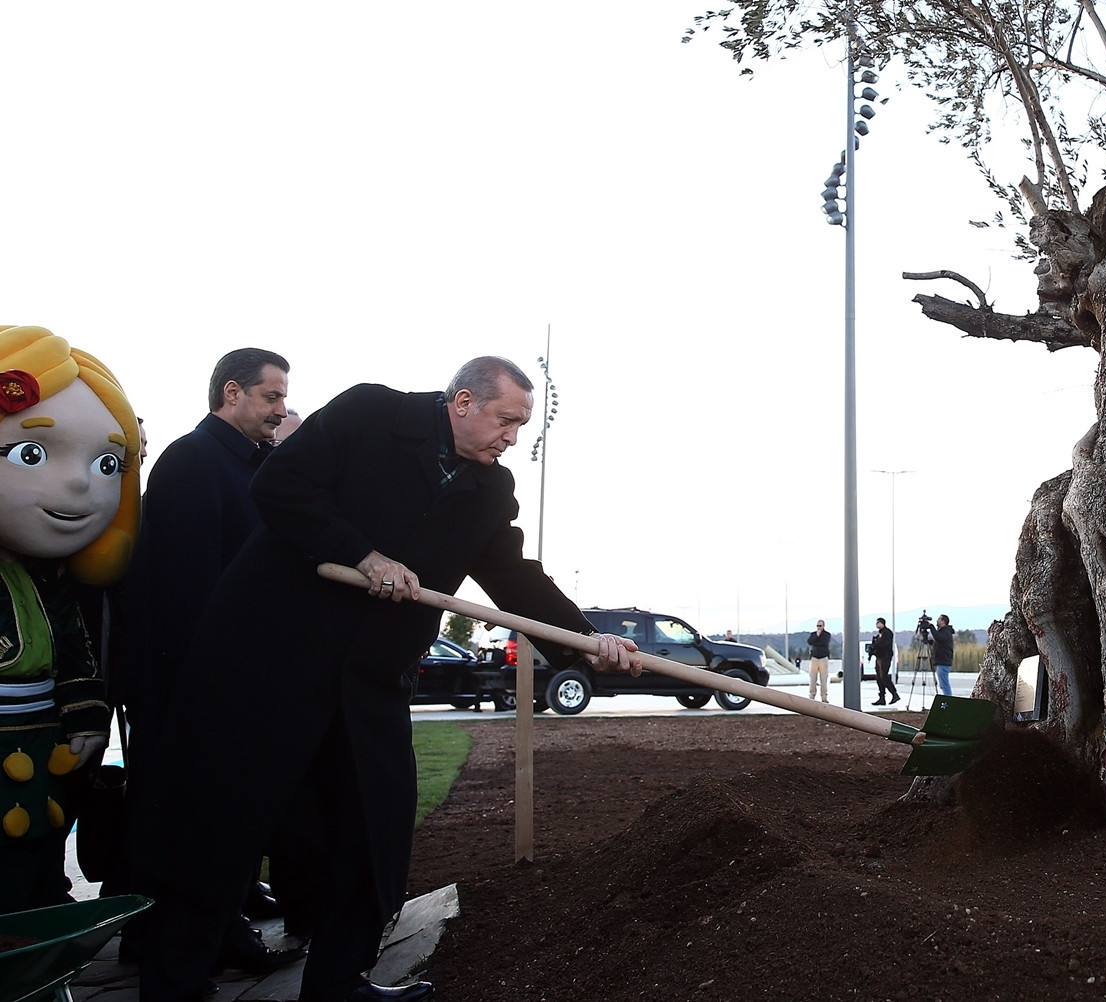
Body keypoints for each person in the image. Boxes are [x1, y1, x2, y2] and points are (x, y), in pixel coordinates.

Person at [134, 356, 642, 1002]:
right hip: (269, 663)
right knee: (223, 820)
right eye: (506, 421)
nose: (513, 437)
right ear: (464, 403)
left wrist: (588, 644)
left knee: (374, 829)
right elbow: (279, 487)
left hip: (369, 680)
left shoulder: (488, 490)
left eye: (521, 426)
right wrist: (363, 555)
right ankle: (173, 984)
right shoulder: (370, 414)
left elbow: (516, 580)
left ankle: (338, 982)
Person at [115, 348, 305, 976]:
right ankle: (188, 943)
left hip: (227, 677)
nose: (281, 410)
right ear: (231, 393)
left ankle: (197, 932)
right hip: (190, 682)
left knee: (210, 818)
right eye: (272, 397)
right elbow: (185, 590)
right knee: (184, 820)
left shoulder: (252, 465)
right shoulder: (192, 462)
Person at [0, 326, 139, 913]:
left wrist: (84, 713)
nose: (81, 483)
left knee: (36, 846)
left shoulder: (52, 581)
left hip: (39, 741)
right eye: (31, 453)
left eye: (107, 464)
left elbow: (73, 647)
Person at [870, 617, 898, 705]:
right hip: (879, 656)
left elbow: (884, 644)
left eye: (878, 623)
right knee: (879, 678)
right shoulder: (880, 633)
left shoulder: (887, 633)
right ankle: (882, 698)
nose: (877, 624)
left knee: (884, 677)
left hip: (885, 657)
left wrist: (875, 645)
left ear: (882, 623)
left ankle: (894, 694)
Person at [805, 620, 832, 701]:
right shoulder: (813, 634)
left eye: (820, 626)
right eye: (817, 626)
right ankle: (812, 696)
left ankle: (824, 697)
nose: (819, 627)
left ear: (823, 626)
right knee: (813, 678)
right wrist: (816, 636)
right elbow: (809, 642)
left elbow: (824, 643)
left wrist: (816, 641)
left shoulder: (827, 635)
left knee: (823, 679)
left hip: (823, 658)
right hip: (814, 658)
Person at [931, 613, 956, 696]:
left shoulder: (946, 631)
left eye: (939, 619)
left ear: (943, 621)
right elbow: (940, 642)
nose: (937, 621)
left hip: (944, 662)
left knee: (944, 684)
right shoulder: (943, 631)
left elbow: (939, 638)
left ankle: (948, 699)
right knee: (943, 684)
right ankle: (947, 698)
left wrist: (931, 627)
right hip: (941, 661)